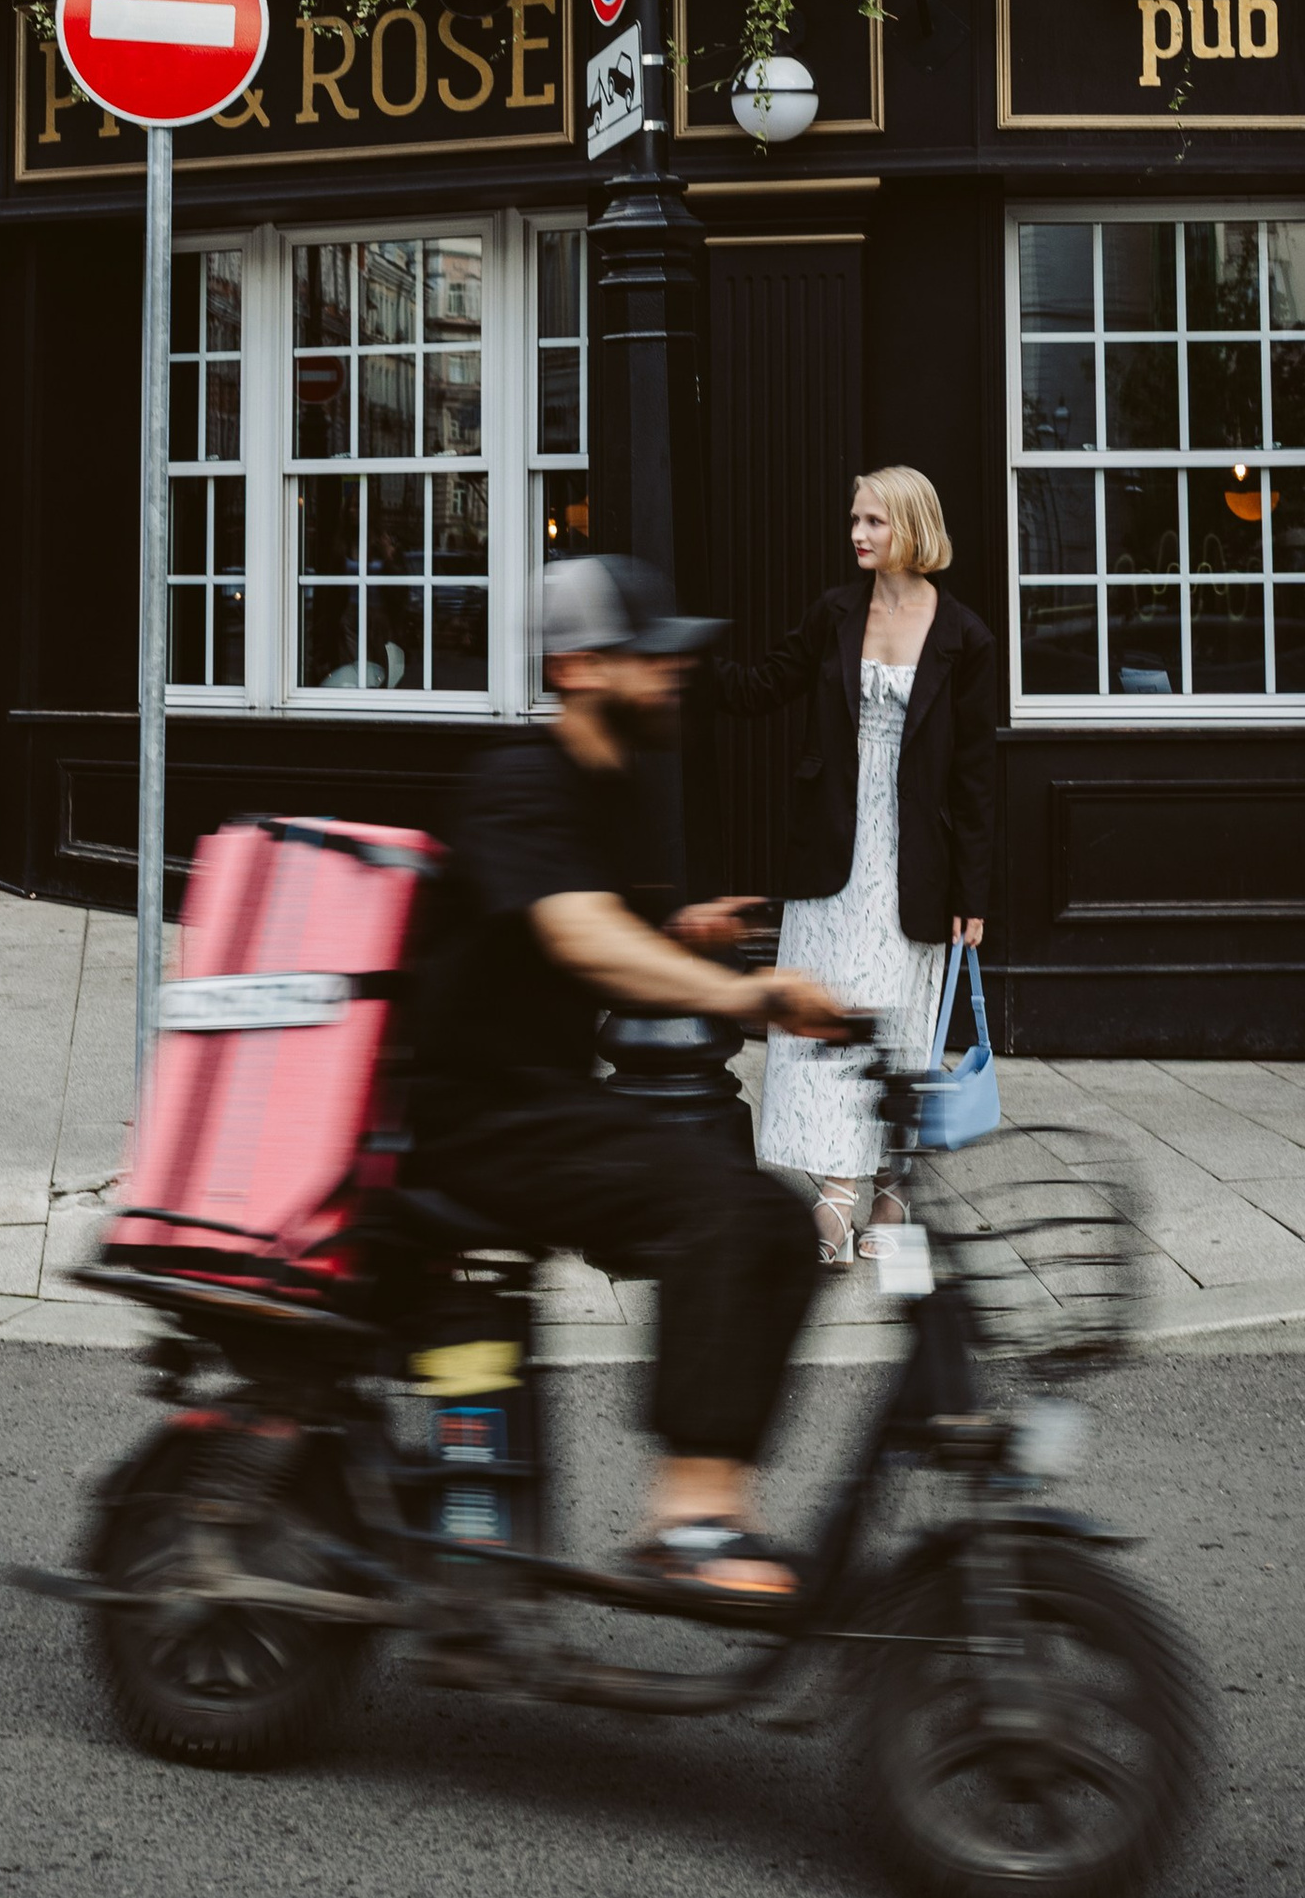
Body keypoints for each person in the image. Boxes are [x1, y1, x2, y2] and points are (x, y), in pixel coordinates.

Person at [407, 552, 854, 1601]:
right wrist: (747, 997)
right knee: (714, 1206)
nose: (670, 677)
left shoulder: (607, 793)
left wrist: (685, 931)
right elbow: (580, 937)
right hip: (478, 1117)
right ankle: (685, 1522)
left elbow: (611, 928)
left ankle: (714, 1498)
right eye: (645, 659)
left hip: (548, 1106)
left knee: (775, 1226)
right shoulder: (518, 782)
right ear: (575, 667)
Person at [710, 467, 997, 1269]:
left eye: (872, 520)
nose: (857, 534)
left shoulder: (964, 636)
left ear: (910, 526)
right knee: (824, 1017)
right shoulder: (836, 612)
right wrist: (689, 663)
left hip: (918, 860)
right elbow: (764, 685)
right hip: (833, 848)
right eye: (854, 520)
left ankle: (889, 1189)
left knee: (897, 1022)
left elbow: (977, 774)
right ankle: (839, 1188)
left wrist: (974, 890)